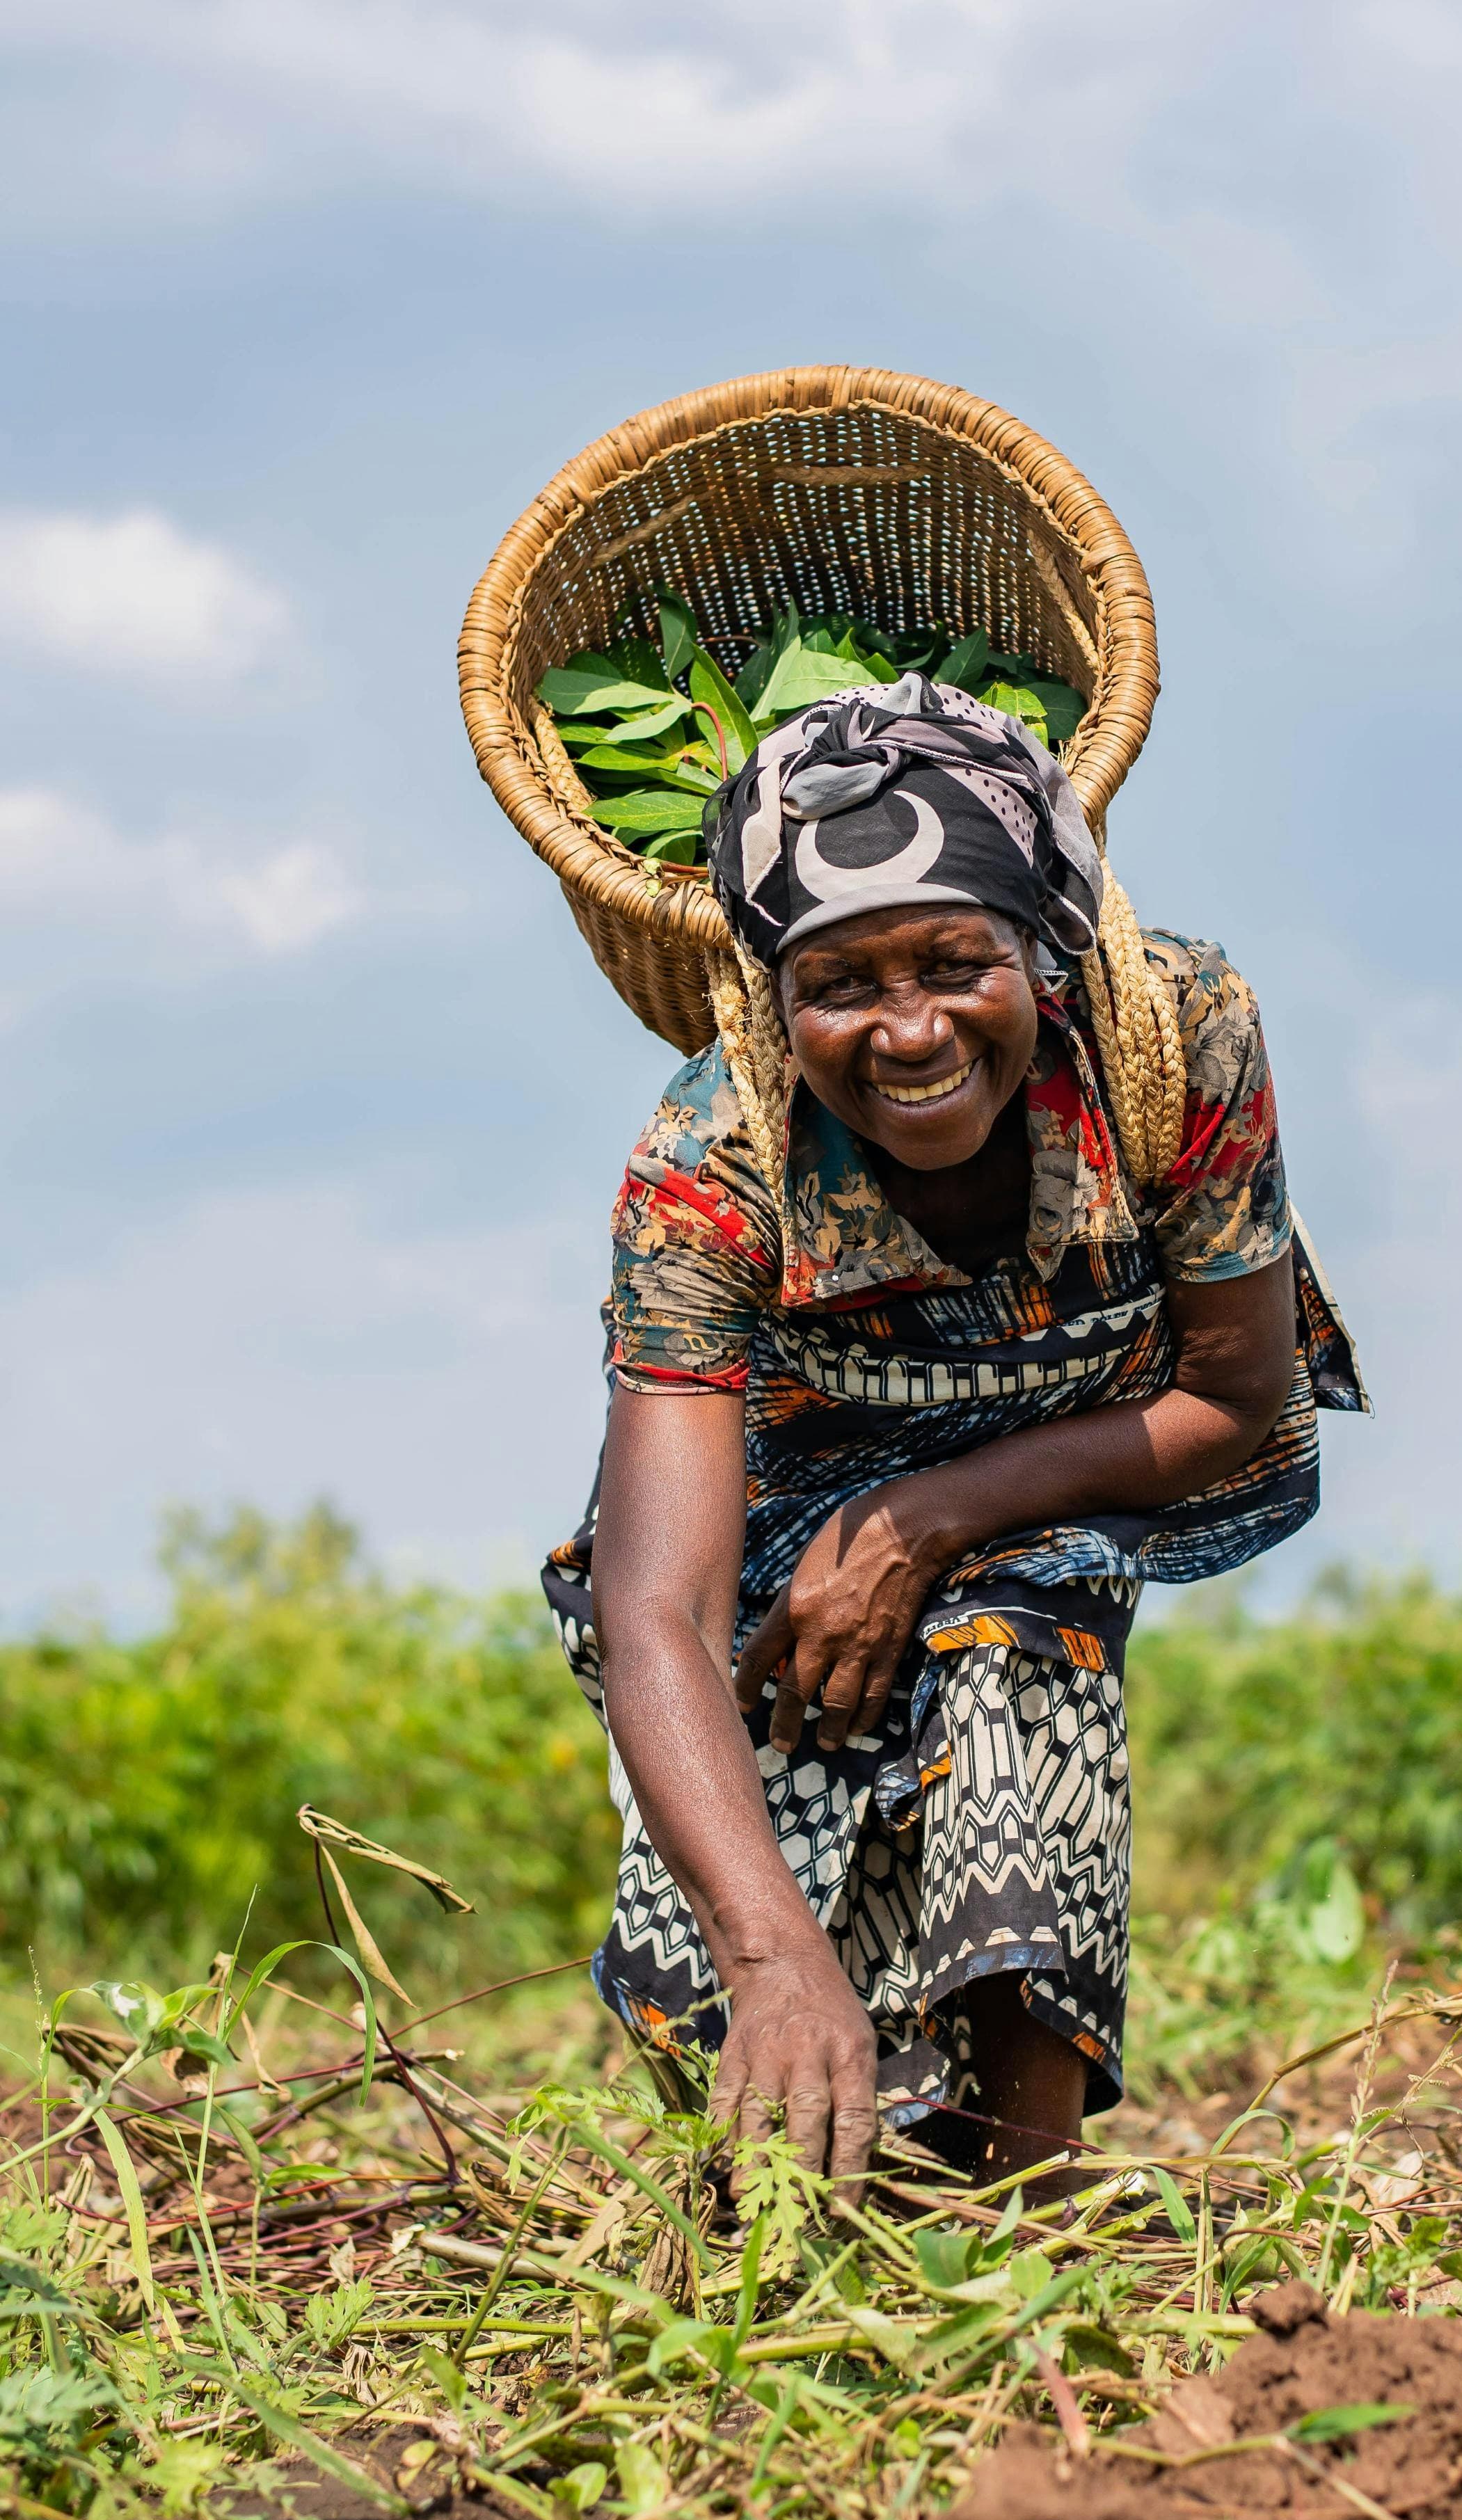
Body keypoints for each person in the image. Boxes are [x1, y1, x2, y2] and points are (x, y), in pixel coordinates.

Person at [543, 673, 1365, 2196]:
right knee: (771, 1790)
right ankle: (839, 2152)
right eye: (839, 985)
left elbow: (1231, 1391)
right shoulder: (709, 1160)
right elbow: (654, 1603)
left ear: (1040, 948)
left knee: (1008, 1637)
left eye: (954, 962)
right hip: (785, 1497)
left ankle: (1032, 2186)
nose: (907, 1028)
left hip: (1077, 1438)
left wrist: (933, 1515)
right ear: (775, 1000)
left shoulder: (1171, 1035)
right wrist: (770, 1952)